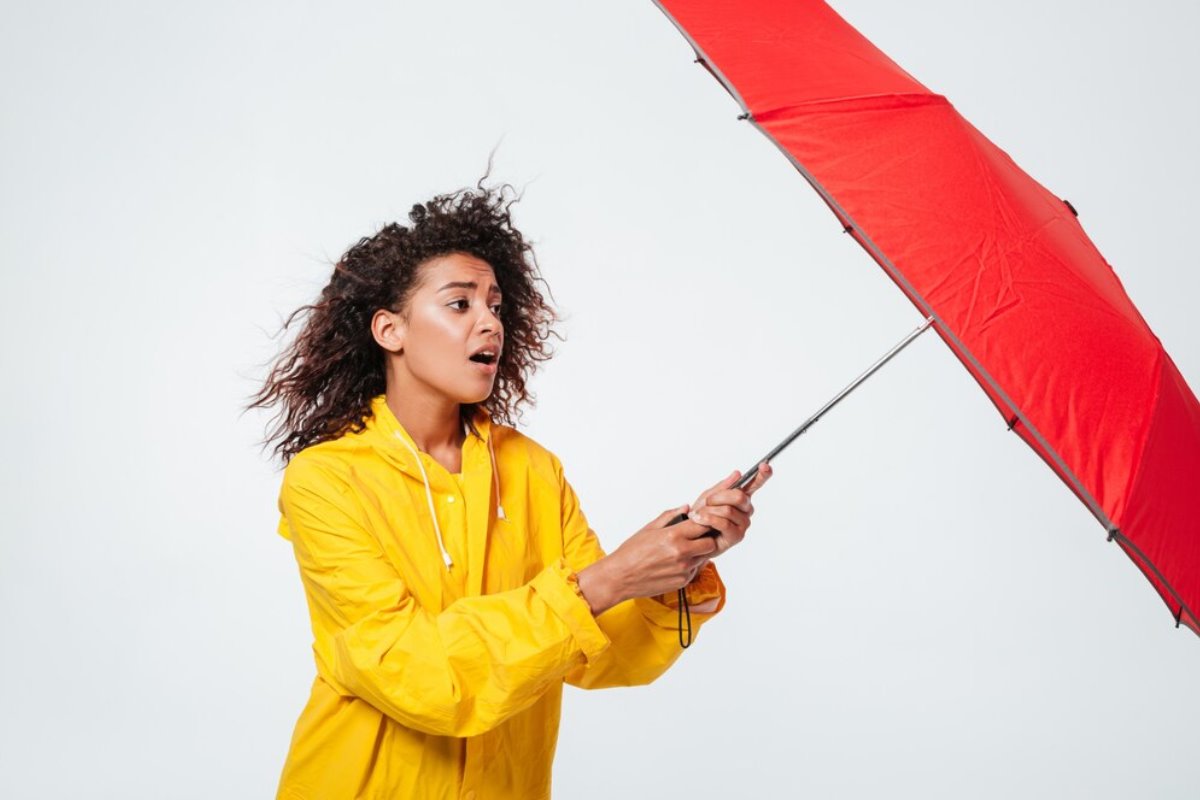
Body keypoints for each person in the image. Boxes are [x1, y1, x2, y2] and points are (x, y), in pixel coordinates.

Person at [248, 182, 772, 799]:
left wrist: (680, 559)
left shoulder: (532, 470)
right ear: (390, 330)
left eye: (496, 304)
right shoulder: (327, 480)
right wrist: (606, 579)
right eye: (460, 304)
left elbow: (600, 655)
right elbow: (416, 672)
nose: (490, 321)